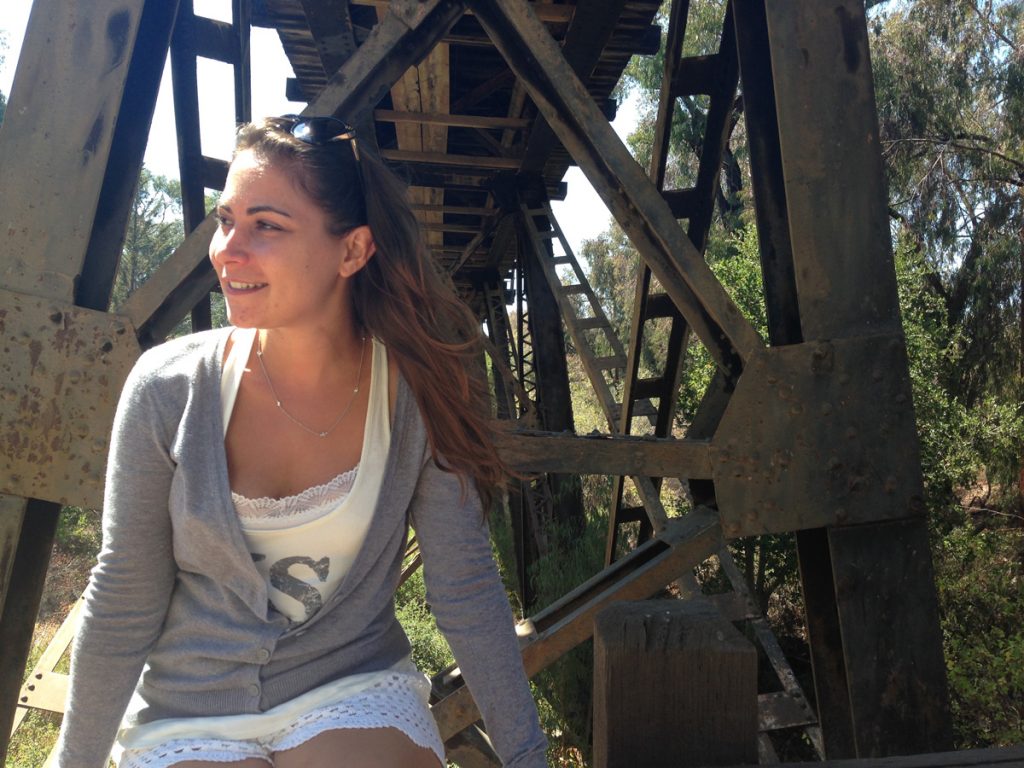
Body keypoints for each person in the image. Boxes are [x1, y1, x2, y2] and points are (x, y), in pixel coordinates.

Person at [54, 115, 547, 768]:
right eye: (226, 220)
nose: (227, 251)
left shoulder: (418, 393)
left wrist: (526, 756)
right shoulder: (167, 389)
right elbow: (125, 595)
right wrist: (73, 762)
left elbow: (465, 589)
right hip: (190, 707)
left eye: (266, 225)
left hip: (349, 688)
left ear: (353, 251)